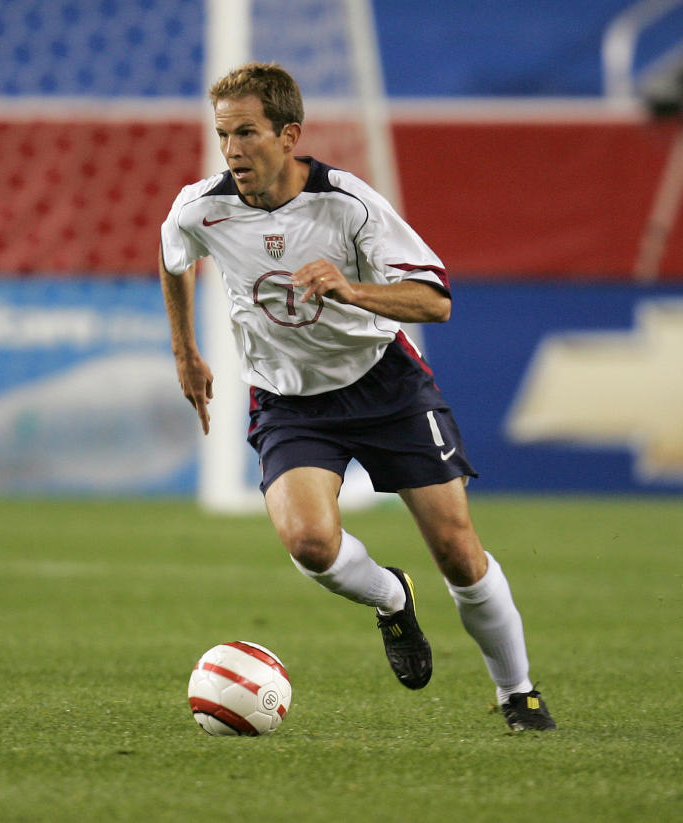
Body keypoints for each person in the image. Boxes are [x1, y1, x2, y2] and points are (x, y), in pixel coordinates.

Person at [158, 62, 556, 732]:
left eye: (247, 133)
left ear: (290, 136)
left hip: (385, 385)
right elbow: (174, 258)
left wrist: (353, 288)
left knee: (458, 549)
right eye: (224, 134)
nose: (231, 150)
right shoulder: (203, 208)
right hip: (289, 400)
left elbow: (436, 299)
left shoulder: (350, 204)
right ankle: (392, 596)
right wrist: (185, 352)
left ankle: (517, 691)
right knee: (310, 542)